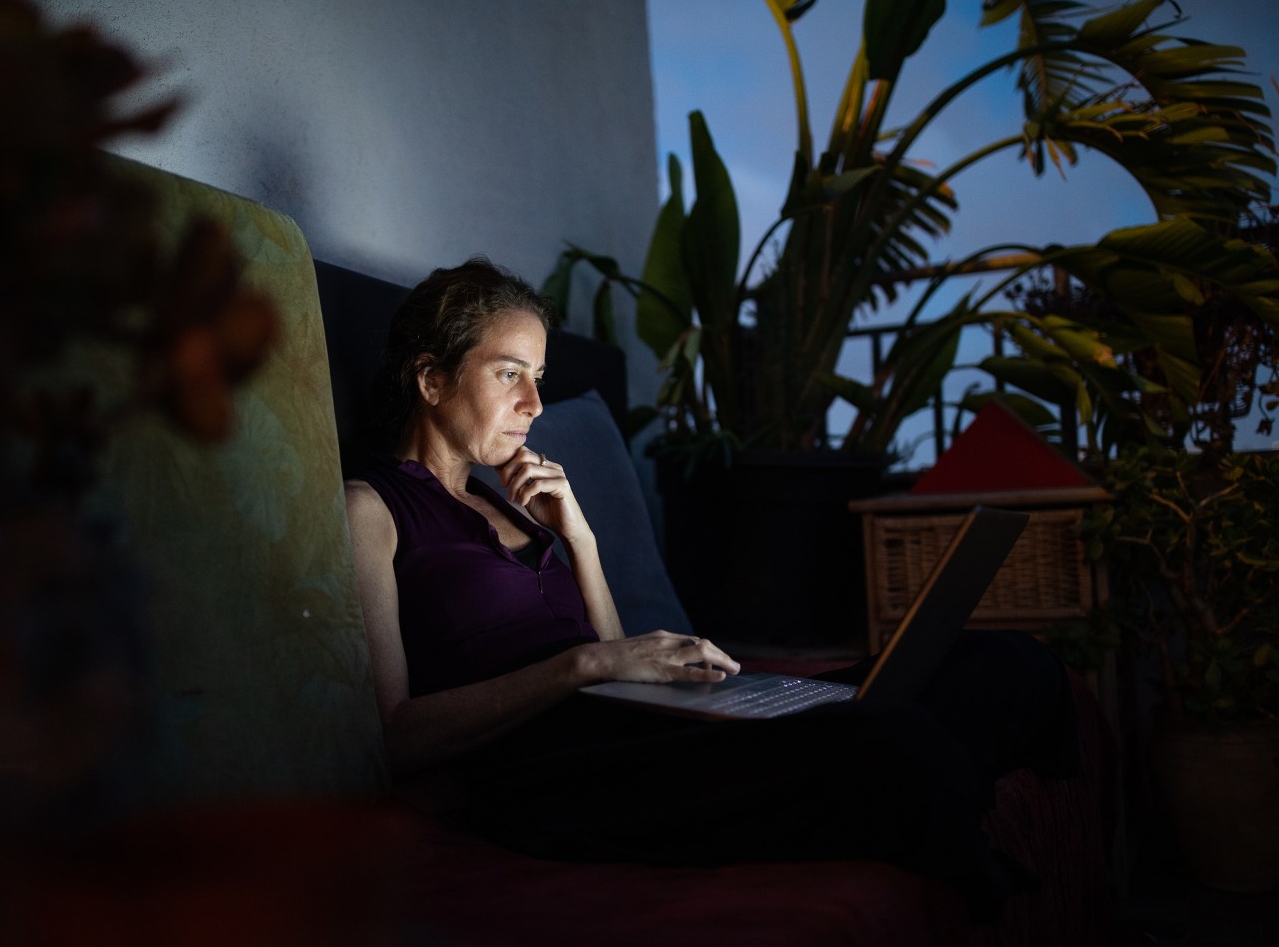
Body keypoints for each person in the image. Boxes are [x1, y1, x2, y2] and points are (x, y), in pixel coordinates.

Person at [344, 257, 1078, 919]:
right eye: (510, 373)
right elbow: (395, 737)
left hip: (634, 721)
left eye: (540, 378)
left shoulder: (511, 502)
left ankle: (931, 777)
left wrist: (582, 542)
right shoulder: (371, 509)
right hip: (555, 774)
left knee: (1008, 664)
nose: (535, 403)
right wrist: (585, 667)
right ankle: (937, 789)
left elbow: (614, 654)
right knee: (904, 743)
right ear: (432, 378)